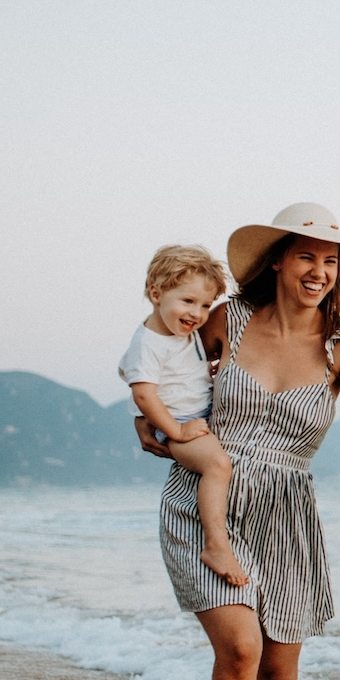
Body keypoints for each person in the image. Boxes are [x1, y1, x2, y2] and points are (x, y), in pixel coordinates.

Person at [136, 203, 340, 680]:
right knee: (242, 649)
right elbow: (165, 370)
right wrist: (153, 425)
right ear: (277, 259)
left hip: (288, 514)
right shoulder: (227, 320)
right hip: (205, 495)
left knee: (280, 678)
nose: (319, 272)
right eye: (307, 256)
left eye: (330, 262)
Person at [120, 245, 248, 587]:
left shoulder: (179, 332)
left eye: (205, 305)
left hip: (196, 414)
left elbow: (136, 373)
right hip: (176, 425)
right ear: (156, 293)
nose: (198, 313)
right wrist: (175, 431)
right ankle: (215, 546)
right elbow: (143, 393)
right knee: (218, 466)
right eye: (188, 301)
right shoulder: (147, 343)